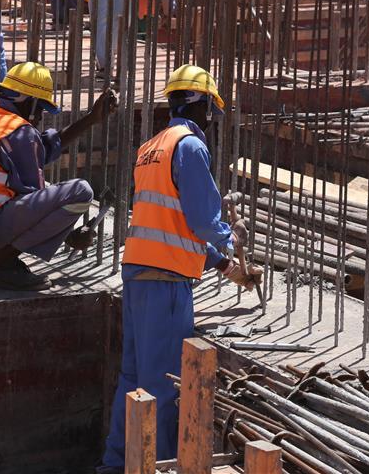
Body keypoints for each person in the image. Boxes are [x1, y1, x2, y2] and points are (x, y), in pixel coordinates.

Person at [98, 65, 259, 473]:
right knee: (164, 386)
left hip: (138, 274)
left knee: (133, 380)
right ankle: (158, 465)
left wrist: (225, 266)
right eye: (212, 112)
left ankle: (117, 465)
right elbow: (203, 219)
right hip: (165, 284)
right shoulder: (189, 146)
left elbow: (171, 225)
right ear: (203, 105)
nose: (213, 123)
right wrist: (231, 237)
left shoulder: (151, 148)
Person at [0, 62, 117, 290]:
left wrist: (90, 119)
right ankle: (0, 261)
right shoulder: (20, 132)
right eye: (40, 108)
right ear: (27, 101)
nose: (40, 117)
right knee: (81, 191)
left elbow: (41, 149)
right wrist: (69, 236)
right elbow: (37, 204)